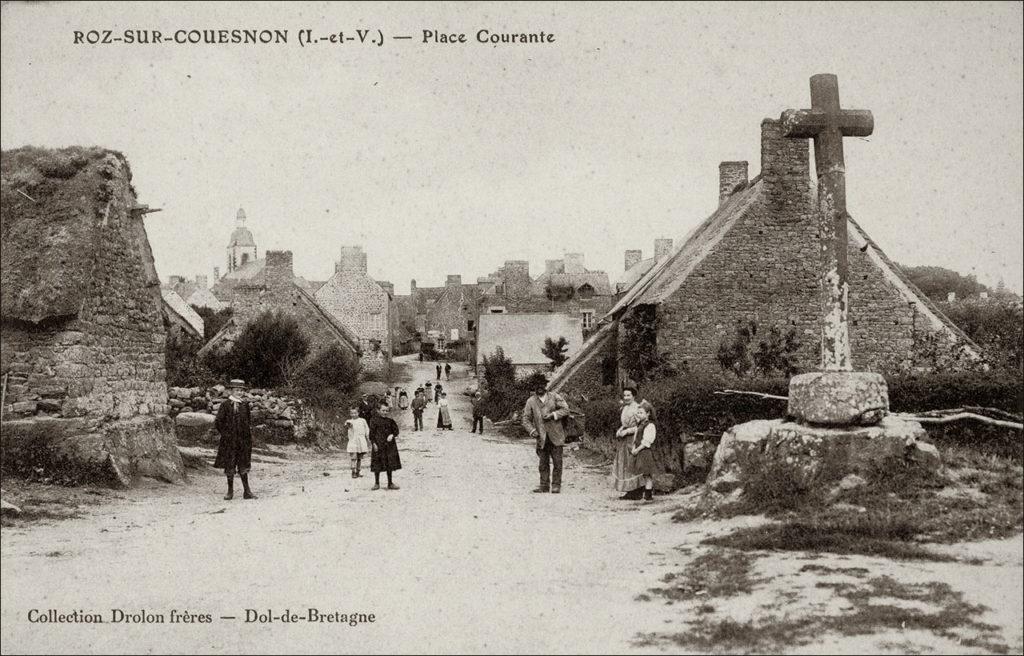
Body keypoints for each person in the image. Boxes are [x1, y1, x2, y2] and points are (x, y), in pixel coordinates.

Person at [520, 381, 570, 494]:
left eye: (541, 386)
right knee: (543, 463)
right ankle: (544, 486)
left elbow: (566, 410)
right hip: (541, 437)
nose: (539, 388)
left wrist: (553, 415)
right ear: (534, 388)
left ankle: (556, 486)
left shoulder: (554, 397)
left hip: (556, 435)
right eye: (537, 386)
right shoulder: (531, 401)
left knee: (558, 462)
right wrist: (532, 430)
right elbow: (525, 419)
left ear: (545, 387)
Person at [214, 379, 256, 500]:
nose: (239, 392)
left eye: (241, 390)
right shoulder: (225, 405)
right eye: (237, 390)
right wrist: (226, 434)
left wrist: (246, 437)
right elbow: (218, 422)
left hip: (243, 441)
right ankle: (230, 491)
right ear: (231, 391)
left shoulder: (245, 405)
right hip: (229, 441)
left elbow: (248, 422)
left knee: (243, 464)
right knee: (230, 465)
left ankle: (247, 491)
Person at [613, 386, 644, 500]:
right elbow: (625, 423)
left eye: (628, 395)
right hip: (624, 440)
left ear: (634, 396)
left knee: (633, 462)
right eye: (624, 395)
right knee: (625, 464)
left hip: (634, 438)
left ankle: (638, 490)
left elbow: (640, 426)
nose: (626, 398)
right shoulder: (625, 408)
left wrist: (627, 431)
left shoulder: (637, 408)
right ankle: (630, 490)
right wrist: (620, 429)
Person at [369, 404, 401, 490]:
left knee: (389, 463)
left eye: (386, 411)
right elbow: (371, 434)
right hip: (378, 445)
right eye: (383, 411)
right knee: (377, 463)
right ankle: (376, 483)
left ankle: (390, 483)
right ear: (378, 411)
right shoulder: (374, 421)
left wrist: (392, 435)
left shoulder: (390, 421)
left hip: (389, 446)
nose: (385, 412)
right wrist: (374, 444)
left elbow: (396, 431)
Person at [630, 401, 658, 502]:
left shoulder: (650, 425)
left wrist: (637, 450)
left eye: (641, 413)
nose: (638, 415)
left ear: (648, 413)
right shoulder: (640, 425)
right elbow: (635, 438)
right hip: (639, 452)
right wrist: (633, 447)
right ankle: (645, 493)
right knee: (644, 474)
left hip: (645, 452)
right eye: (638, 413)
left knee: (647, 474)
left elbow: (646, 441)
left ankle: (648, 495)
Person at [344, 405, 370, 478]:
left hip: (361, 441)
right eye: (352, 413)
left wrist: (368, 437)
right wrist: (348, 425)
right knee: (353, 457)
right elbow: (347, 426)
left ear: (358, 413)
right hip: (353, 441)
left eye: (355, 413)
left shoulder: (362, 420)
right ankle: (353, 471)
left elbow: (366, 429)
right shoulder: (349, 421)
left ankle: (358, 471)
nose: (353, 415)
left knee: (359, 457)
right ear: (350, 414)